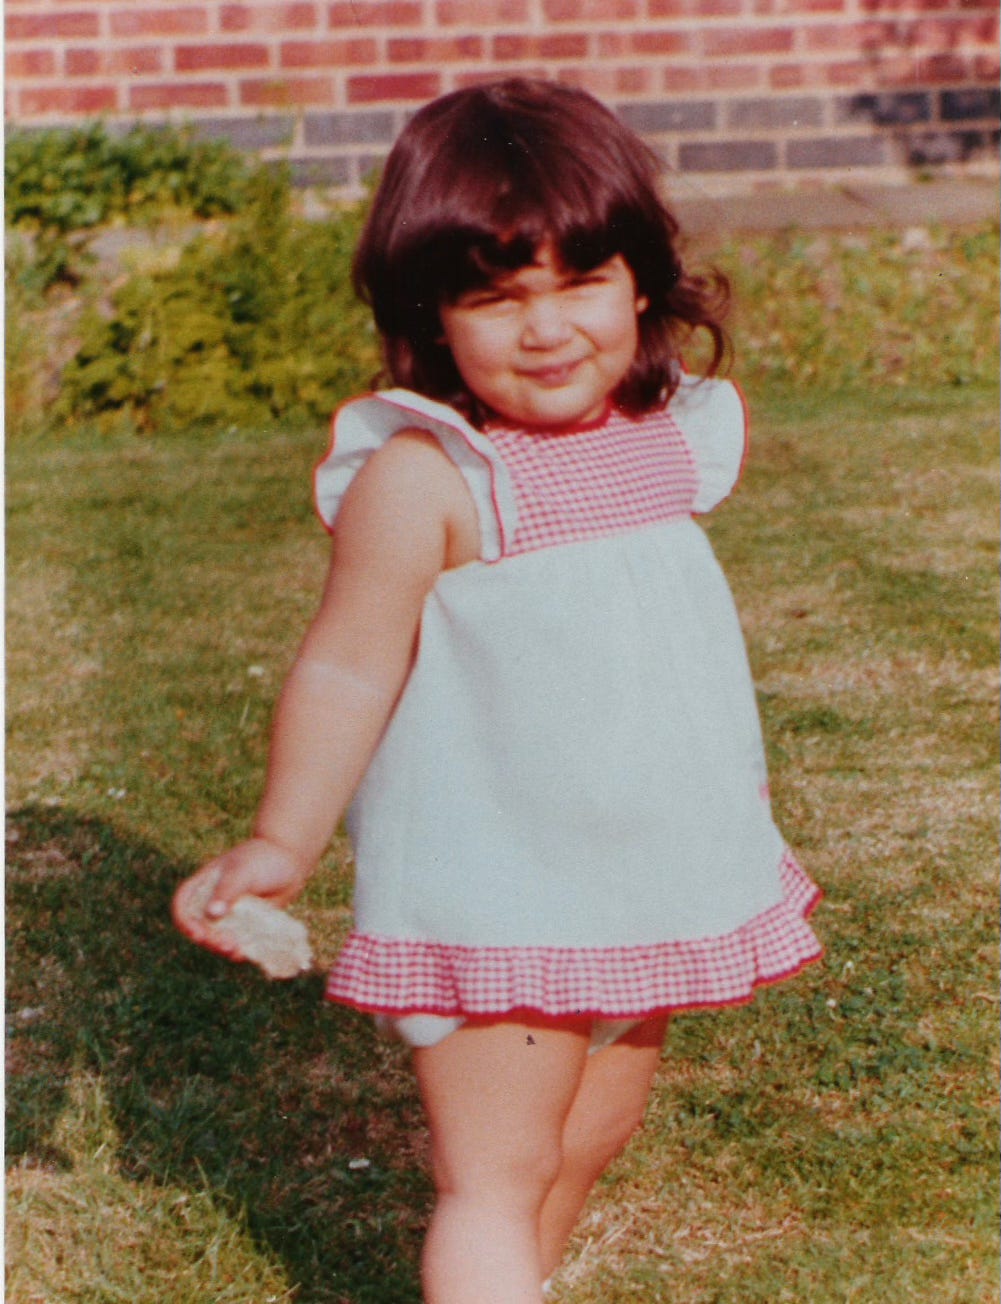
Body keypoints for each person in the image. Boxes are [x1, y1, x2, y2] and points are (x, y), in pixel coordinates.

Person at [173, 78, 822, 1304]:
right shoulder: (430, 476)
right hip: (502, 887)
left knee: (585, 1137)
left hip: (646, 865)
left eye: (578, 282)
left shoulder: (664, 435)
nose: (545, 329)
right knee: (497, 1166)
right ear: (434, 315)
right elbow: (346, 662)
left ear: (642, 281)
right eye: (495, 297)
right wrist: (280, 836)